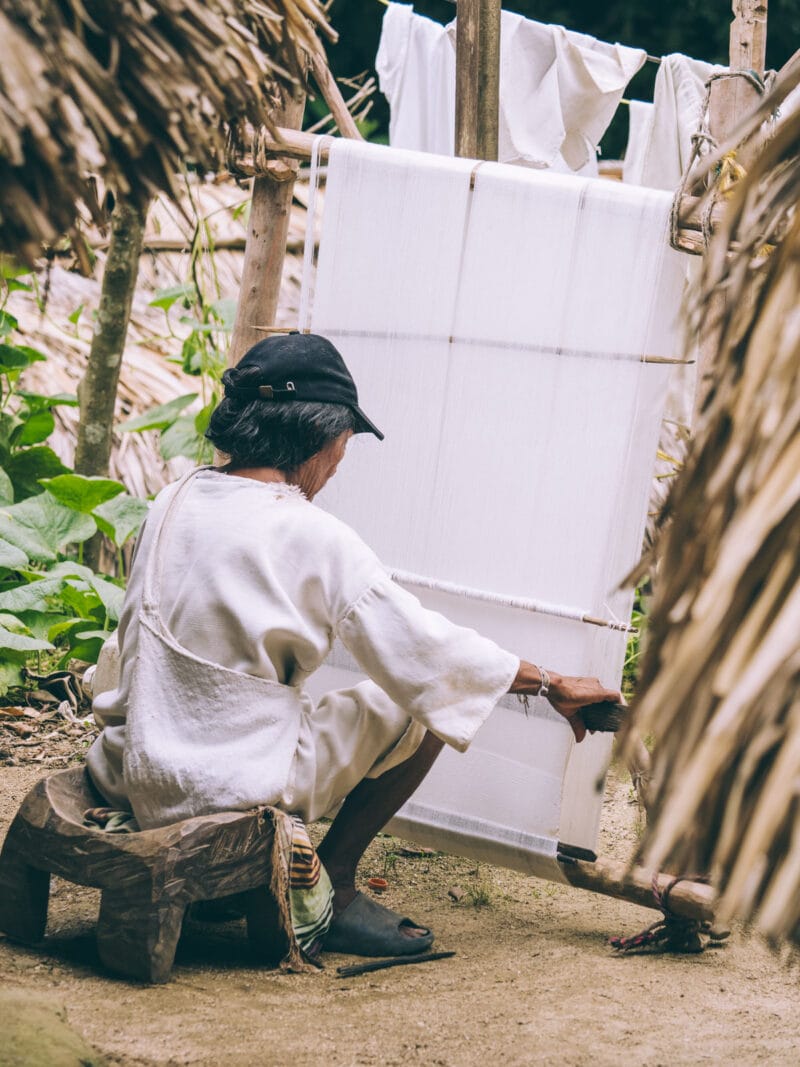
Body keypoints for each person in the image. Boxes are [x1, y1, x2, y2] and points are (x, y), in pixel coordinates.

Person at [85, 333, 620, 958]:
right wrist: (552, 683)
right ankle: (330, 889)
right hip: (230, 786)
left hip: (137, 768)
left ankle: (234, 887)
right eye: (344, 441)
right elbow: (428, 655)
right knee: (416, 709)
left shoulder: (172, 501)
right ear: (318, 436)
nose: (341, 460)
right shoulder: (313, 536)